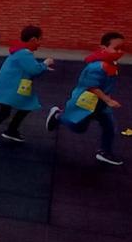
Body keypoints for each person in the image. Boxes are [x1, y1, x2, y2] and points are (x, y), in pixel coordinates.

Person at [45, 32, 126, 166]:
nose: (120, 51)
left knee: (110, 126)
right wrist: (108, 100)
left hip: (101, 105)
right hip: (86, 102)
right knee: (78, 127)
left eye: (121, 48)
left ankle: (104, 152)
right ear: (103, 48)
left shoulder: (111, 64)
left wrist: (106, 100)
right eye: (116, 48)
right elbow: (92, 86)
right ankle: (58, 116)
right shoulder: (96, 67)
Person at [0, 25, 55, 149]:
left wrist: (40, 66)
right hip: (8, 89)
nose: (40, 42)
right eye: (40, 39)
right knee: (5, 113)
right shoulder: (24, 53)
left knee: (26, 106)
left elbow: (29, 66)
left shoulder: (21, 51)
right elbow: (34, 70)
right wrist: (45, 63)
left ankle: (11, 130)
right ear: (33, 40)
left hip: (9, 88)